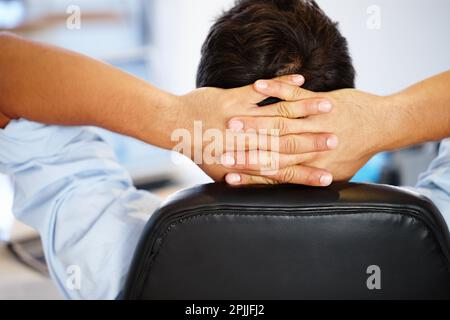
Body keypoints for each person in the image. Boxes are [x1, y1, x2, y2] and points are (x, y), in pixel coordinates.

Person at [0, 0, 449, 299]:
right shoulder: (435, 236)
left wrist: (172, 120)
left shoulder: (119, 251)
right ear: (348, 103)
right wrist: (389, 119)